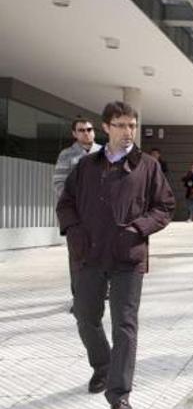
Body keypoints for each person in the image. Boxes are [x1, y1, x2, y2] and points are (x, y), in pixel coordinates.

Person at [56, 101, 175, 409]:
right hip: (90, 255)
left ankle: (119, 395)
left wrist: (138, 229)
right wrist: (75, 232)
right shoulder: (86, 166)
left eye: (132, 126)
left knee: (124, 326)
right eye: (121, 125)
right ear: (106, 127)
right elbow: (65, 203)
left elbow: (164, 207)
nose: (128, 132)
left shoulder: (147, 166)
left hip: (127, 256)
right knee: (85, 316)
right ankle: (102, 367)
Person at [53, 118, 102, 303]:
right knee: (78, 258)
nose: (86, 133)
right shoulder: (66, 155)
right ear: (74, 133)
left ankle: (101, 293)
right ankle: (80, 299)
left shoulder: (105, 153)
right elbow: (59, 184)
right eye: (81, 130)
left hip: (102, 216)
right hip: (78, 216)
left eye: (89, 129)